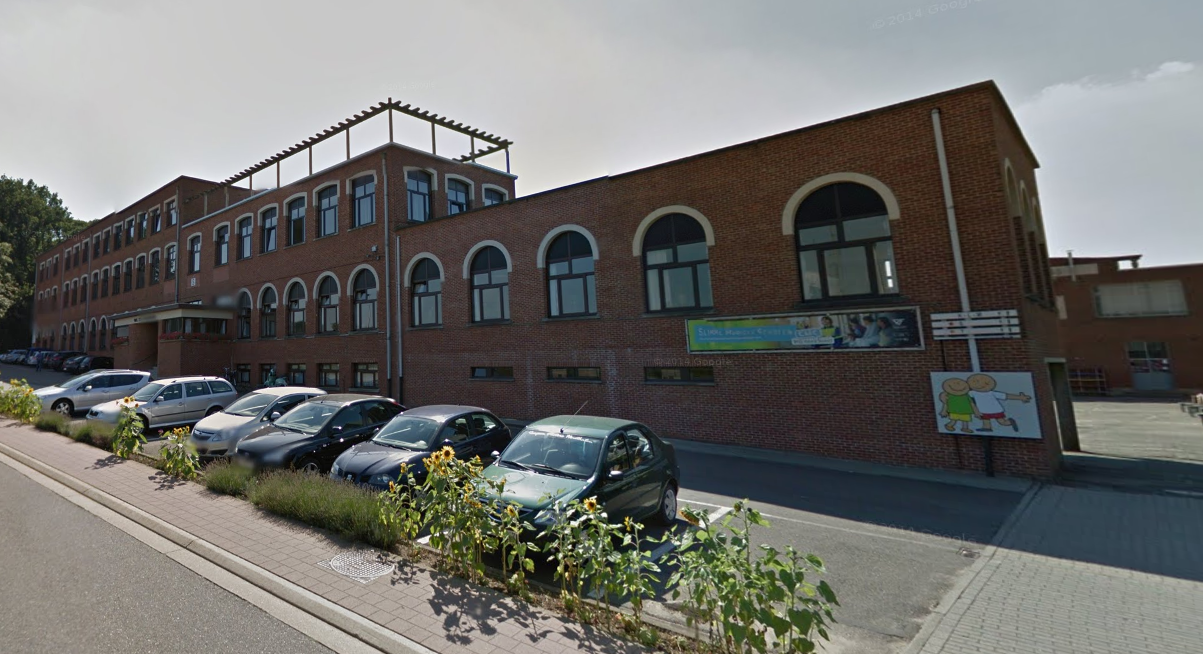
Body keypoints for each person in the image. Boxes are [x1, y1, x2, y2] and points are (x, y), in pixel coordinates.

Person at [967, 373, 1032, 432]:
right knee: (986, 420)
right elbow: (966, 396)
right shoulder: (973, 393)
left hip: (995, 410)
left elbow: (1006, 396)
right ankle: (987, 427)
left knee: (1001, 422)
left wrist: (1021, 397)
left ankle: (1010, 422)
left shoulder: (992, 393)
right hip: (985, 410)